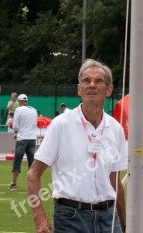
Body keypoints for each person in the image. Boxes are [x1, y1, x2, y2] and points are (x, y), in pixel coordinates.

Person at [27, 59, 127, 232]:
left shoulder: (115, 129)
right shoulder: (61, 125)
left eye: (99, 81)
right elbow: (33, 175)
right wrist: (39, 219)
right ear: (79, 89)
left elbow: (115, 181)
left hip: (109, 218)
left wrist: (124, 223)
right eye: (86, 81)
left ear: (109, 90)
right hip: (71, 218)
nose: (92, 85)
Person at [9, 93, 37, 190]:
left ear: (20, 101)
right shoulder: (33, 110)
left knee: (17, 161)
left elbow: (16, 126)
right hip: (32, 138)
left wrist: (16, 132)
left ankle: (14, 184)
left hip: (22, 138)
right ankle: (32, 185)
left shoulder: (18, 110)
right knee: (32, 163)